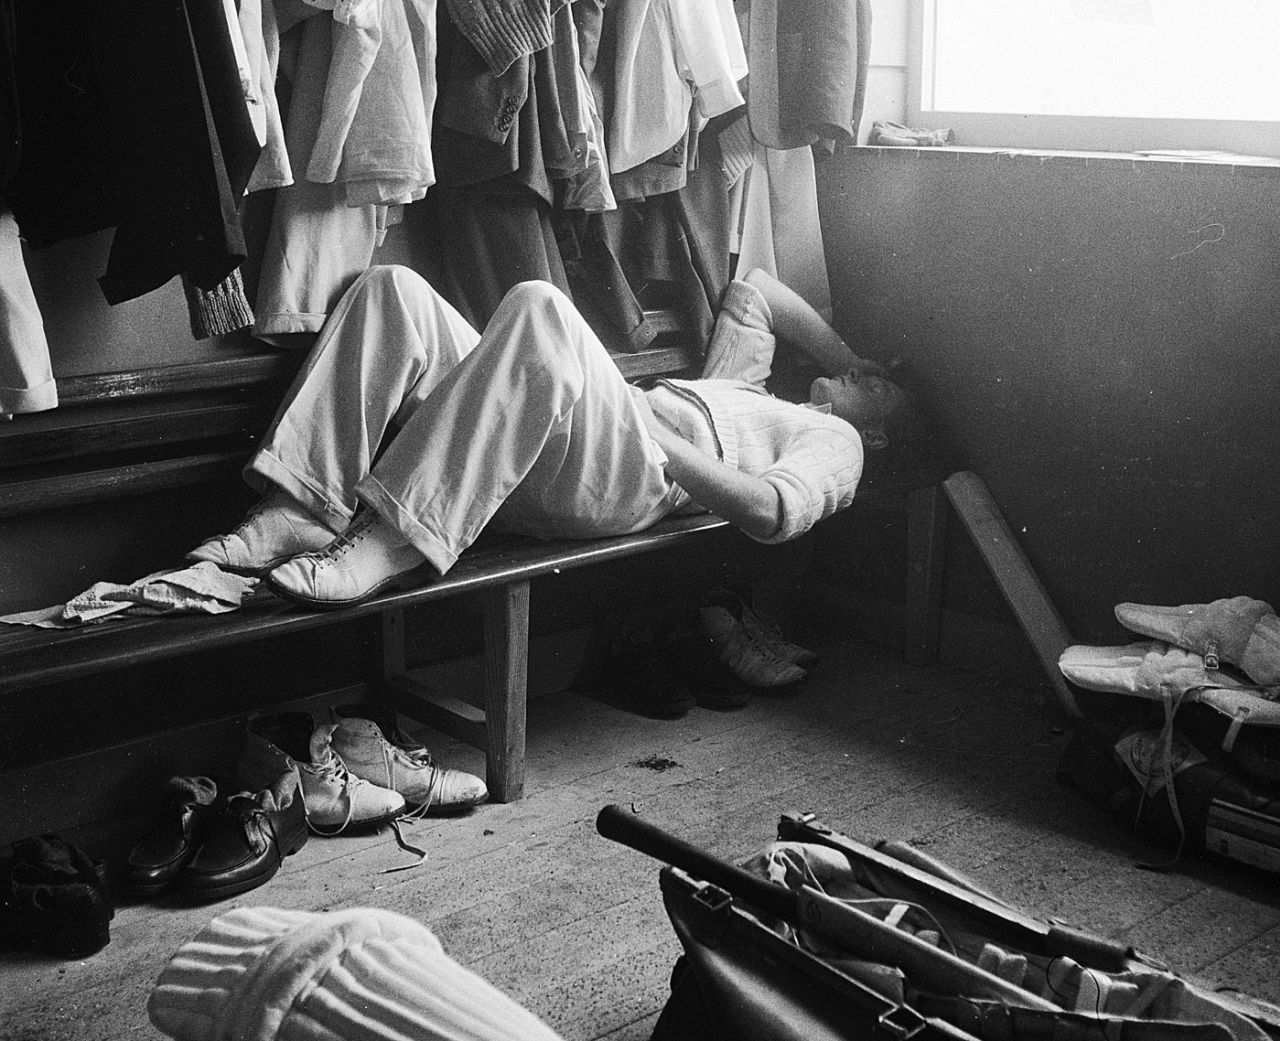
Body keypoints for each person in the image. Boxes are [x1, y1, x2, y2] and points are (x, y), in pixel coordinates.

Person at [188, 265, 914, 609]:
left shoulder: (838, 445)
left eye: (877, 386)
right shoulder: (752, 386)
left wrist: (658, 437)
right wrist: (850, 361)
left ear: (876, 435)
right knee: (394, 290)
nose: (864, 373)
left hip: (632, 477)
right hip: (575, 439)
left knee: (539, 304)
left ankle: (388, 543)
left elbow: (769, 512)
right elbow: (758, 290)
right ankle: (303, 506)